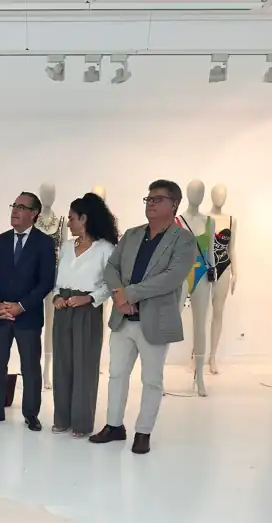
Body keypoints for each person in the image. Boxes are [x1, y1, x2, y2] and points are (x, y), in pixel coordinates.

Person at [92, 180, 195, 454]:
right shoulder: (132, 234)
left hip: (155, 320)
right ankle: (114, 425)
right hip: (123, 319)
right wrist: (119, 297)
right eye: (148, 199)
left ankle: (143, 432)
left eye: (158, 199)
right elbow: (111, 267)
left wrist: (129, 294)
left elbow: (172, 278)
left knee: (151, 380)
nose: (151, 203)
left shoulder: (184, 239)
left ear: (174, 204)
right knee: (116, 374)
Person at [0, 192, 56, 431]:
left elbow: (46, 281)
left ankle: (31, 414)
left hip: (28, 316)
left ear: (34, 214)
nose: (15, 210)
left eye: (21, 207)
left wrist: (21, 306)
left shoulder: (44, 243)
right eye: (14, 205)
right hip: (0, 315)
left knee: (30, 367)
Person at [51, 193, 119, 437]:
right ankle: (62, 417)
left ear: (84, 218)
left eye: (71, 218)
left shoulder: (106, 249)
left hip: (87, 310)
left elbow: (111, 284)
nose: (68, 223)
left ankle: (82, 422)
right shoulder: (67, 247)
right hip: (63, 309)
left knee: (85, 366)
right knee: (61, 365)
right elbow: (57, 280)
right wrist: (56, 297)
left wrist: (89, 298)